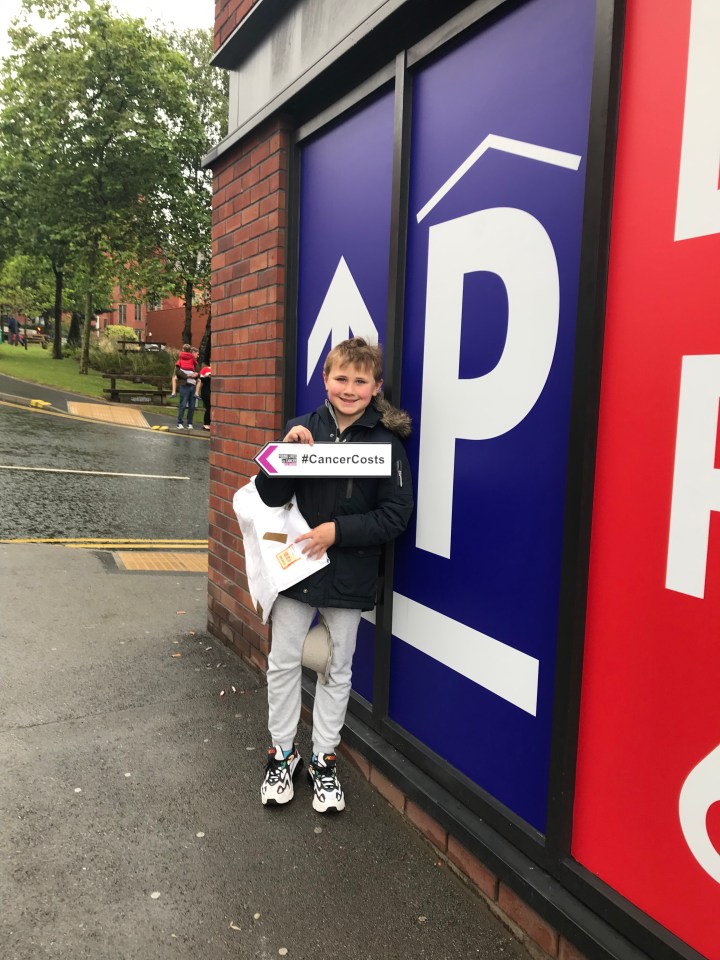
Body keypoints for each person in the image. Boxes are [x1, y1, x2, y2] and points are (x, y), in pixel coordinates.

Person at [255, 337, 414, 813]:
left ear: (375, 387)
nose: (349, 388)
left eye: (360, 381)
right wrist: (287, 452)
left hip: (350, 572)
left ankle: (324, 758)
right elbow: (266, 496)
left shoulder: (387, 445)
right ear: (325, 380)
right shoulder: (301, 428)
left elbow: (395, 516)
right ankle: (282, 754)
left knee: (336, 668)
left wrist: (337, 532)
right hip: (297, 568)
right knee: (283, 662)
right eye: (340, 378)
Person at [175, 345, 198, 430]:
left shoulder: (181, 360)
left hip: (191, 385)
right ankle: (181, 423)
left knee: (189, 406)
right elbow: (177, 372)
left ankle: (188, 423)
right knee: (185, 405)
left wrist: (195, 374)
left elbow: (177, 372)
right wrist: (189, 376)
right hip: (186, 385)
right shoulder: (192, 360)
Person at [196, 362, 211, 430]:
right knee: (209, 407)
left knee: (211, 407)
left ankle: (210, 423)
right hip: (206, 391)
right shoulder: (205, 369)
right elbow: (200, 380)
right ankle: (206, 423)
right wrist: (208, 376)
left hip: (213, 391)